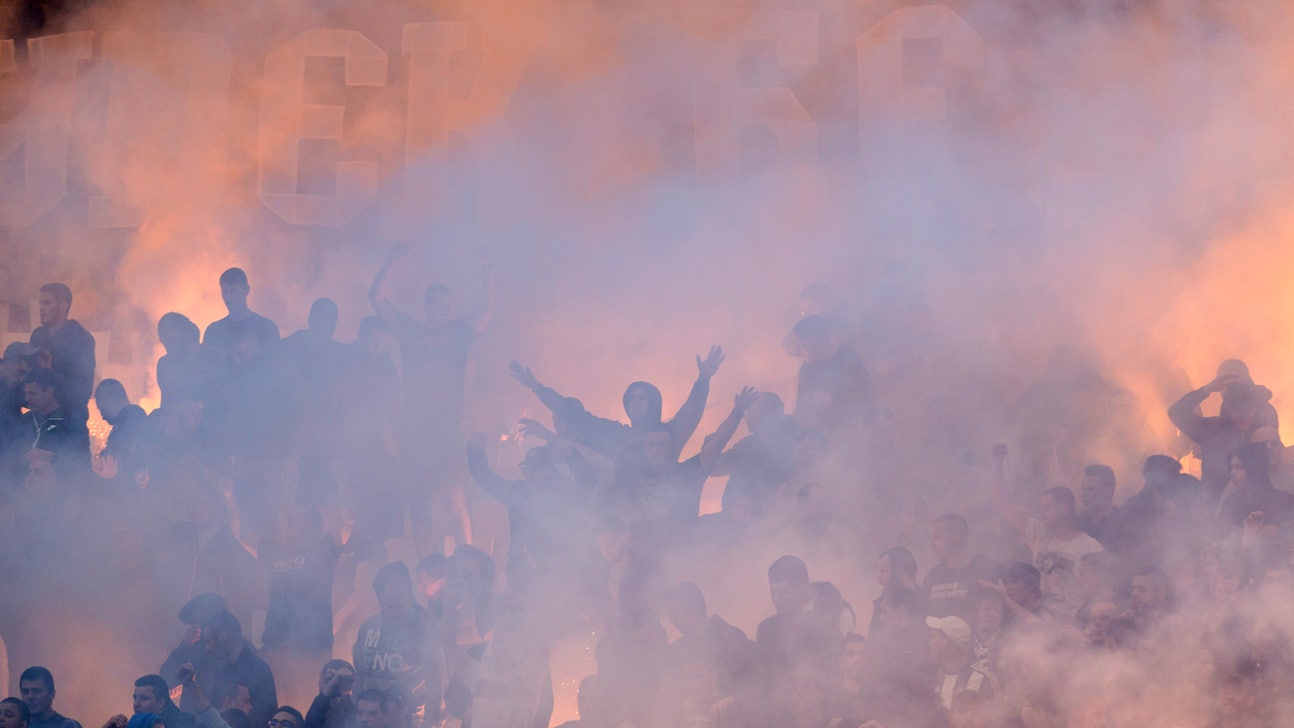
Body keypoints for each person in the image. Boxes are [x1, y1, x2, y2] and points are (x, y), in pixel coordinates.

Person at [369, 243, 496, 551]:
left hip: (448, 431)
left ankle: (467, 561)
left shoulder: (459, 334)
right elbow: (377, 299)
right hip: (414, 432)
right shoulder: (410, 332)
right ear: (427, 309)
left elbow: (487, 308)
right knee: (420, 505)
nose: (445, 311)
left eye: (448, 306)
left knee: (454, 498)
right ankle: (427, 566)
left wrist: (488, 268)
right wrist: (390, 260)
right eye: (439, 306)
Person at [508, 344, 724, 486]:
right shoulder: (615, 435)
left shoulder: (666, 435)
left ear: (654, 403)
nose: (635, 402)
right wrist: (536, 388)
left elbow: (690, 412)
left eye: (642, 397)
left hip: (663, 510)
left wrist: (703, 381)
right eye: (632, 397)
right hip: (624, 513)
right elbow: (576, 415)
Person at [352, 562, 445, 728]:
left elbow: (436, 685)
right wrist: (356, 714)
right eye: (389, 601)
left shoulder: (422, 630)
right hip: (371, 719)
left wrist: (430, 724)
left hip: (408, 720)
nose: (395, 602)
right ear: (380, 598)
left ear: (409, 594)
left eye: (400, 595)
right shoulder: (368, 627)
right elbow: (359, 676)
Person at [28, 282, 95, 427]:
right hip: (38, 417)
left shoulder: (81, 339)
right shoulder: (38, 336)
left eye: (47, 303)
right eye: (40, 303)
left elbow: (82, 389)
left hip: (68, 419)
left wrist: (50, 370)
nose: (41, 308)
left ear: (63, 306)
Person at [921, 514, 1003, 624]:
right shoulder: (933, 575)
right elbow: (920, 614)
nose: (932, 544)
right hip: (938, 640)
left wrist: (1004, 595)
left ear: (955, 536)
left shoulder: (984, 567)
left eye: (937, 537)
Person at [201, 612, 278, 728]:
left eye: (209, 641)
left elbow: (265, 718)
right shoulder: (221, 669)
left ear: (223, 637)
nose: (207, 648)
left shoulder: (258, 670)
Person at [202, 268, 280, 359]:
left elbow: (276, 366)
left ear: (246, 290)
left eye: (233, 291)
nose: (228, 297)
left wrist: (254, 355)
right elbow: (204, 368)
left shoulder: (266, 328)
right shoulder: (213, 331)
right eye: (224, 292)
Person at [926, 616, 997, 712]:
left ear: (946, 641)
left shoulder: (981, 678)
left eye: (933, 637)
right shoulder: (933, 678)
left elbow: (995, 720)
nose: (929, 643)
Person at [92, 378, 149, 485]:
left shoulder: (131, 420)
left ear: (108, 402)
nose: (102, 417)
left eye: (101, 409)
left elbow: (123, 460)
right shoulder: (125, 421)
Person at [302, 661, 356, 728]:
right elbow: (310, 724)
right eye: (327, 680)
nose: (330, 685)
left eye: (336, 679)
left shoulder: (357, 713)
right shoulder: (316, 709)